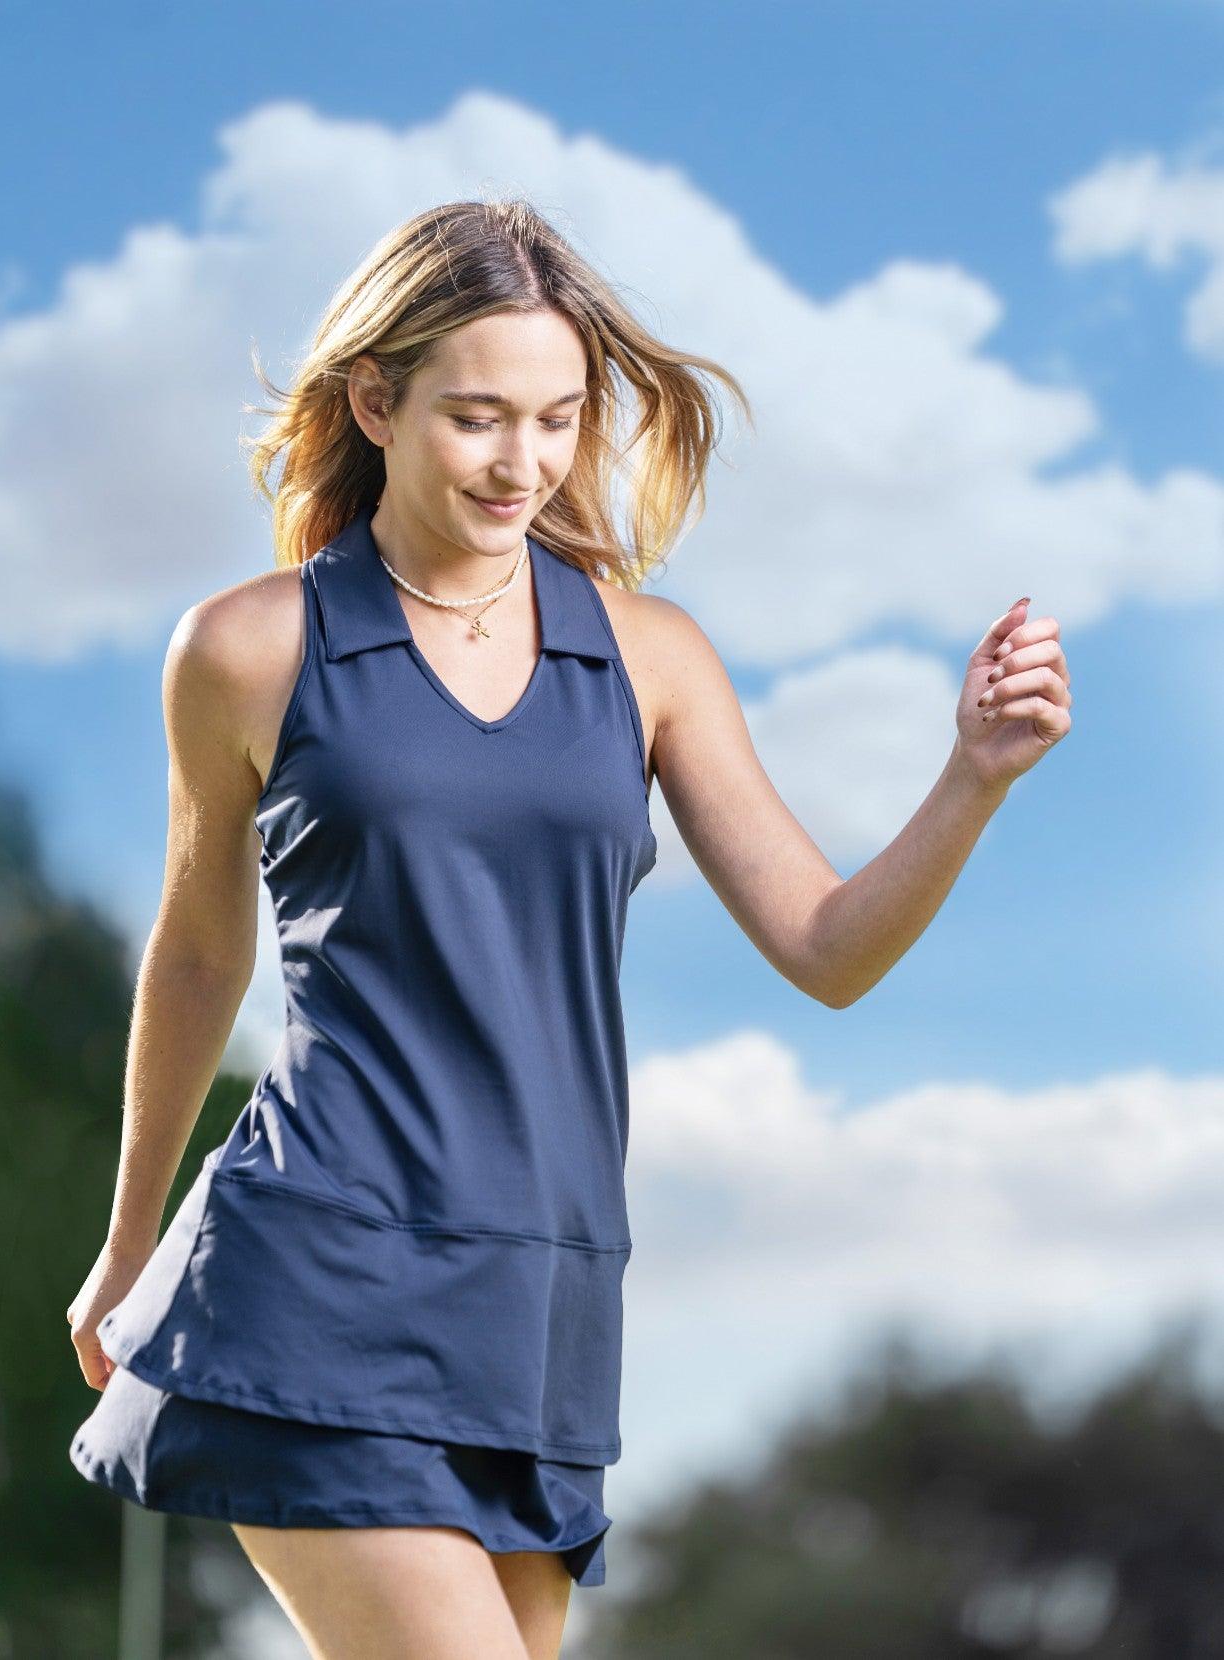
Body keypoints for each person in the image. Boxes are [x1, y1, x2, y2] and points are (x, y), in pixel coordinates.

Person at [65, 196, 1072, 1660]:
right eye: (478, 417)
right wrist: (126, 1232)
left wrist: (971, 775)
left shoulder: (647, 659)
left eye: (556, 419)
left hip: (542, 1299)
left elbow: (828, 947)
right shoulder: (247, 648)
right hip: (323, 1265)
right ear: (376, 400)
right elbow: (201, 952)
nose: (522, 461)